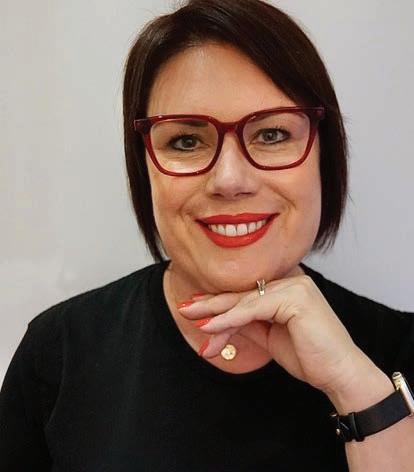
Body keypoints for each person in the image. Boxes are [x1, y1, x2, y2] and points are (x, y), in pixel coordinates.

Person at [1, 0, 413, 470]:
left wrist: (358, 391)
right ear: (144, 168)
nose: (229, 180)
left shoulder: (398, 351)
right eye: (186, 141)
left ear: (325, 155)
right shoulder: (59, 353)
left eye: (272, 134)